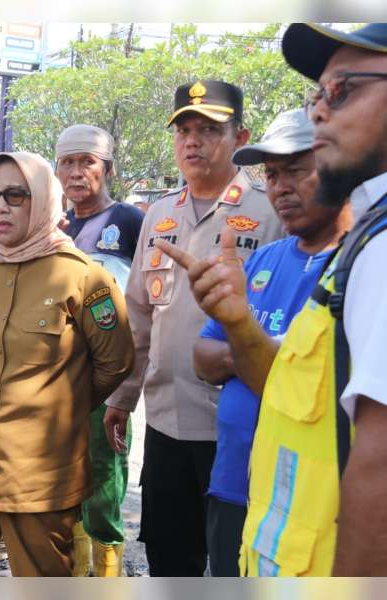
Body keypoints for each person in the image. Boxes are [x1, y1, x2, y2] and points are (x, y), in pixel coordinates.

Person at [156, 23, 387, 577]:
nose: (321, 111)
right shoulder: (372, 236)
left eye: (344, 90)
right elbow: (279, 385)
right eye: (317, 94)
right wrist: (239, 326)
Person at [103, 80, 283, 576]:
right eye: (183, 130)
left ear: (240, 136)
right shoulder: (159, 215)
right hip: (165, 423)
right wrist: (124, 395)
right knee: (169, 560)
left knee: (234, 564)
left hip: (238, 428)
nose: (192, 141)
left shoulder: (270, 213)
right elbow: (139, 316)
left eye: (208, 129)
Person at [0, 151, 134, 577]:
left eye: (15, 195)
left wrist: (59, 402)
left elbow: (115, 363)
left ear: (44, 199)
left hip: (41, 475)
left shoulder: (83, 277)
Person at [193, 108, 353, 576]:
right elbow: (202, 357)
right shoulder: (263, 258)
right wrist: (261, 349)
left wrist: (245, 345)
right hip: (232, 484)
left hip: (307, 507)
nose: (280, 187)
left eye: (296, 171)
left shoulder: (355, 266)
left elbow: (296, 384)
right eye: (272, 173)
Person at [55, 124, 144, 576]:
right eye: (67, 162)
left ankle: (108, 577)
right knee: (61, 488)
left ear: (106, 168)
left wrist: (125, 391)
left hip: (108, 382)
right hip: (55, 383)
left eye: (86, 162)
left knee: (105, 486)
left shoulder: (131, 223)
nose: (76, 172)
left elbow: (145, 308)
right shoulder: (51, 227)